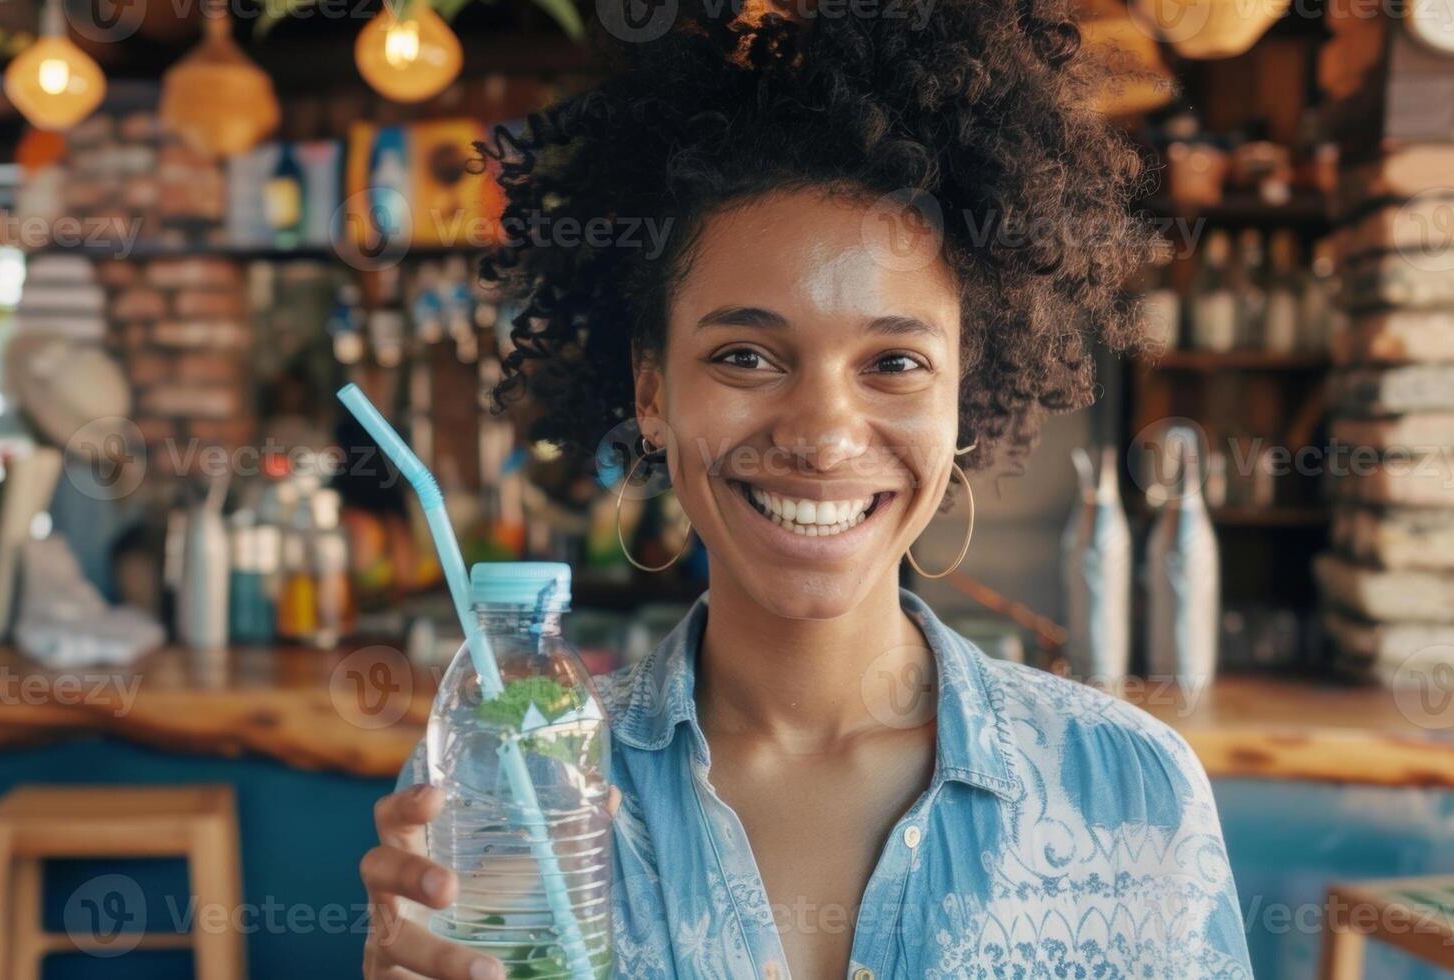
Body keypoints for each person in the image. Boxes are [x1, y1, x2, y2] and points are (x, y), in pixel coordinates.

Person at [361, 3, 1253, 978]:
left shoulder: (1130, 789)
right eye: (746, 354)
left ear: (963, 393)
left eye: (896, 360)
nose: (824, 436)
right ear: (652, 393)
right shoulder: (507, 784)